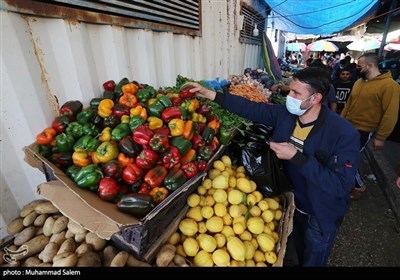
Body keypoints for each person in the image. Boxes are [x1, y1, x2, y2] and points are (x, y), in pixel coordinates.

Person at [187, 67, 360, 267]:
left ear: (315, 98)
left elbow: (341, 186)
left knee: (313, 257)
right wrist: (211, 94)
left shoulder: (343, 133)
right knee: (295, 245)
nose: (290, 96)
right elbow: (252, 108)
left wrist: (297, 157)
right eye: (290, 90)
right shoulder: (286, 115)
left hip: (319, 211)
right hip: (291, 200)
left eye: (296, 93)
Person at [341, 53, 400, 200]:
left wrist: (381, 136)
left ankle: (359, 187)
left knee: (349, 157)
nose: (356, 68)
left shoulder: (390, 86)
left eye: (359, 65)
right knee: (342, 155)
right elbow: (349, 104)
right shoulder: (359, 82)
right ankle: (347, 181)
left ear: (370, 65)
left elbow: (390, 114)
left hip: (365, 130)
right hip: (348, 126)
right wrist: (340, 122)